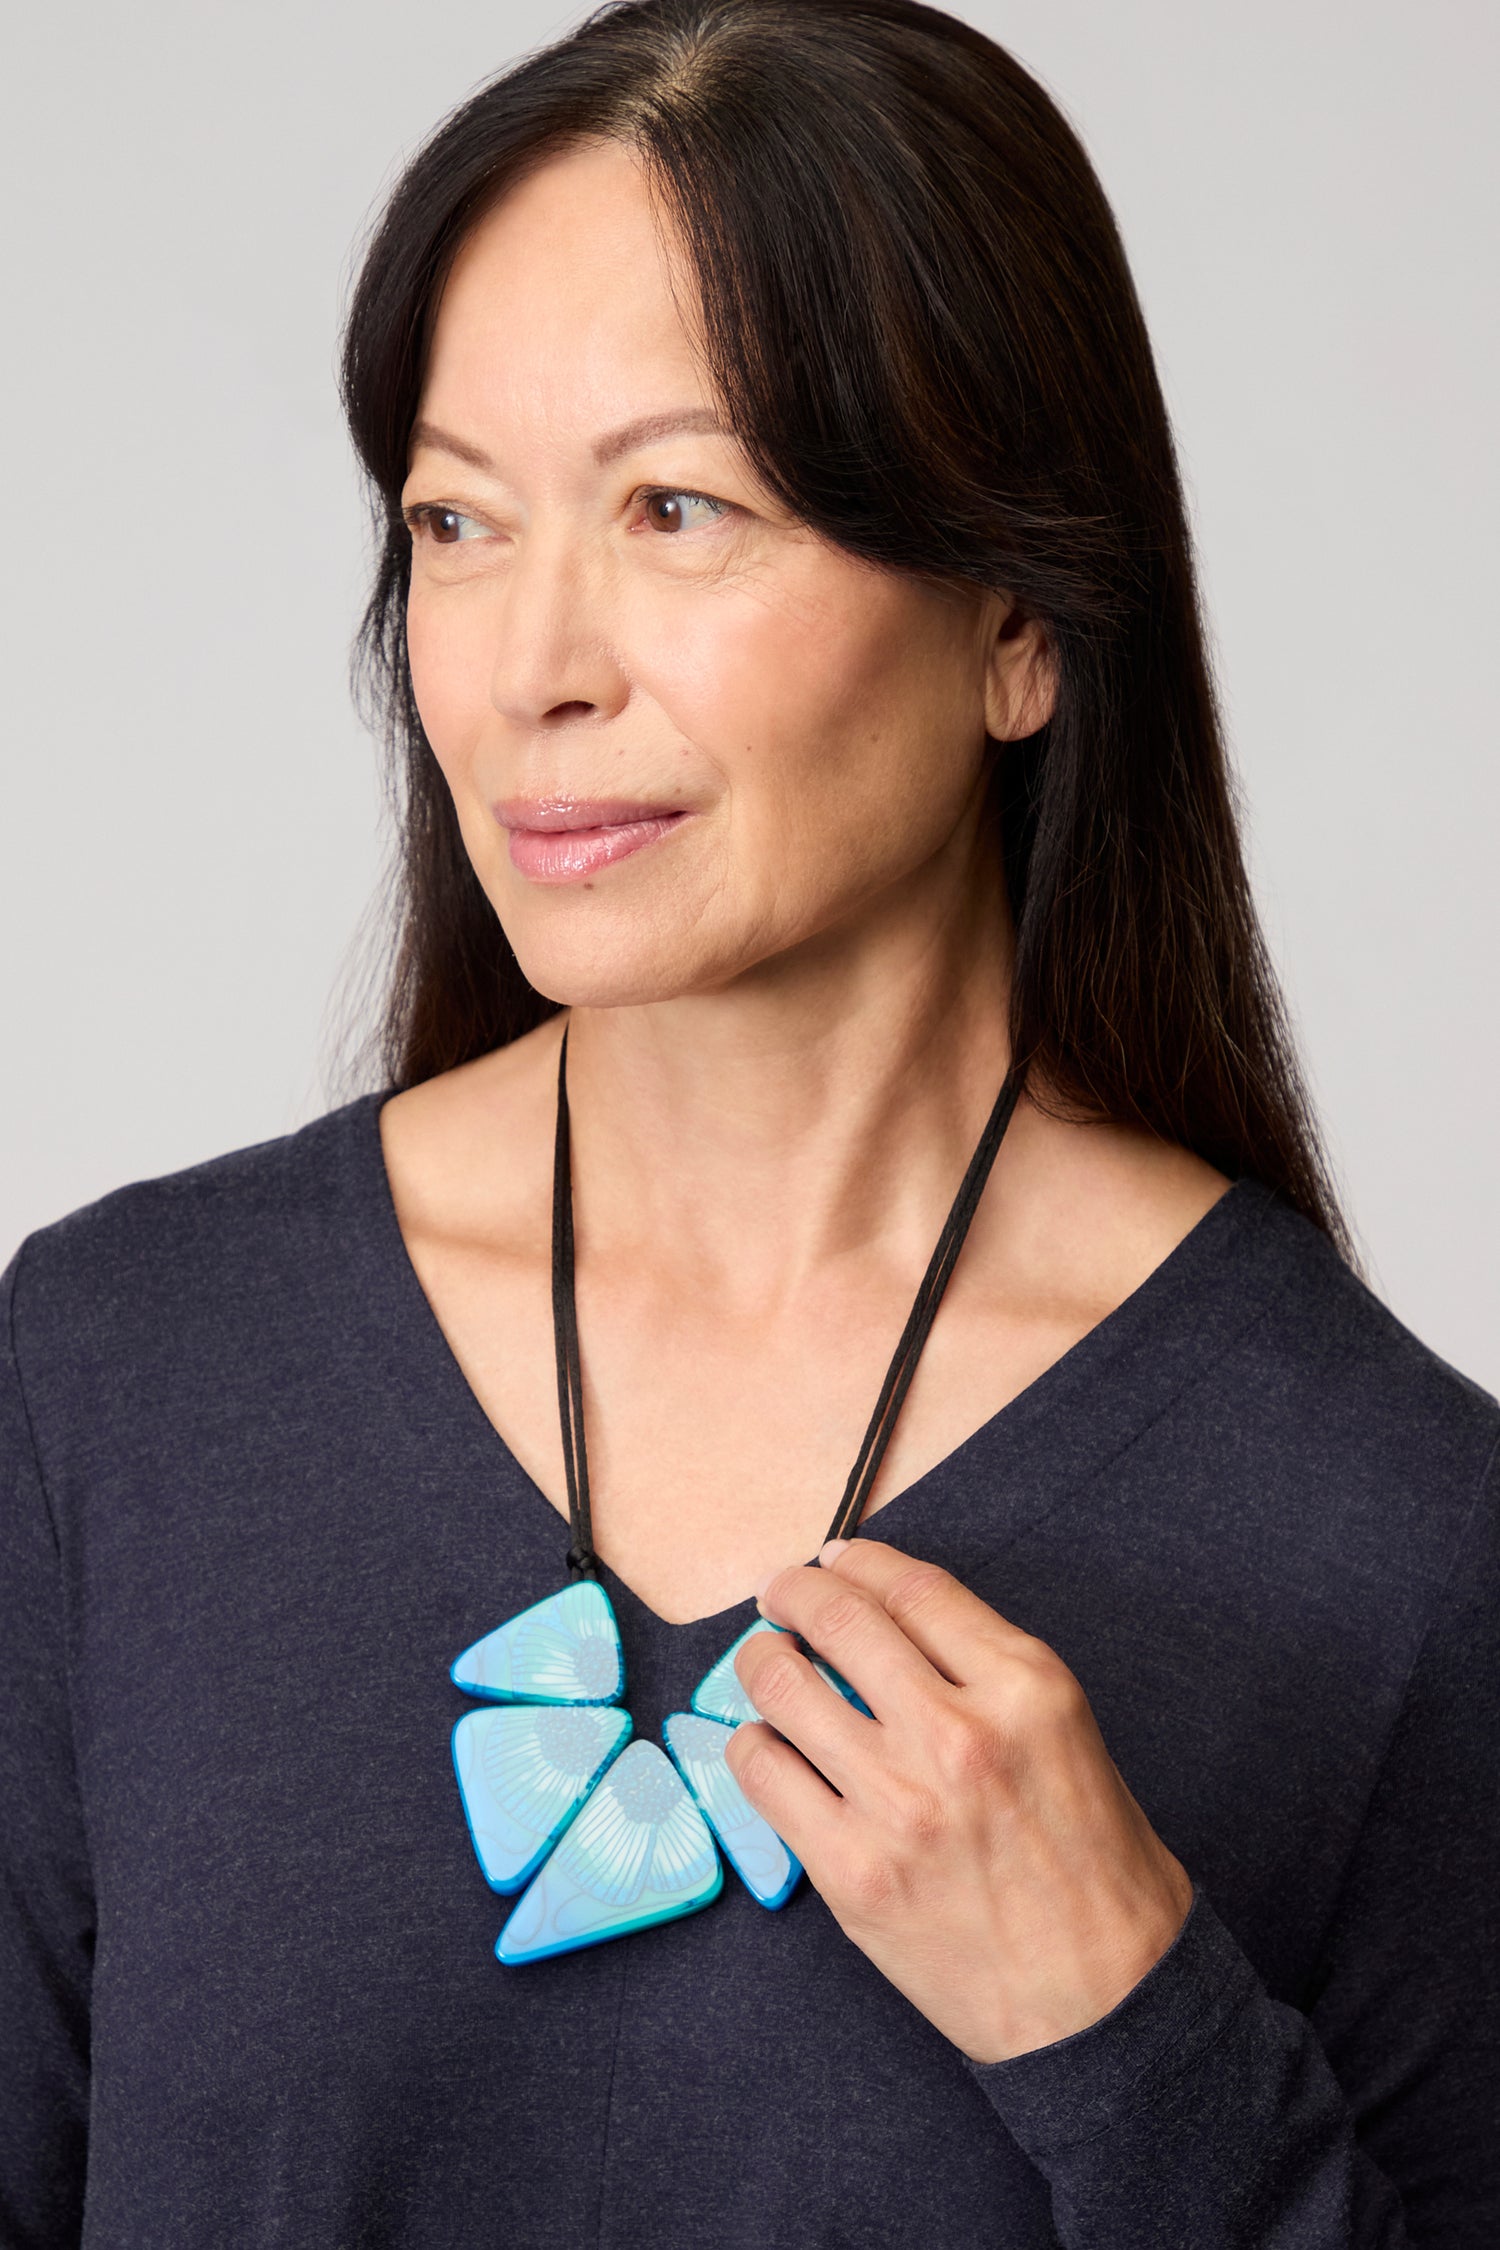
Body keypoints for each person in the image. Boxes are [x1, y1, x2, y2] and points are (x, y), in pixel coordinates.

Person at [2, 1, 1494, 2242]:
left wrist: (1133, 2024)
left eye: (678, 506)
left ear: (1018, 617)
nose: (530, 665)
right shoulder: (117, 1376)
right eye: (457, 522)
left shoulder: (1386, 1533)